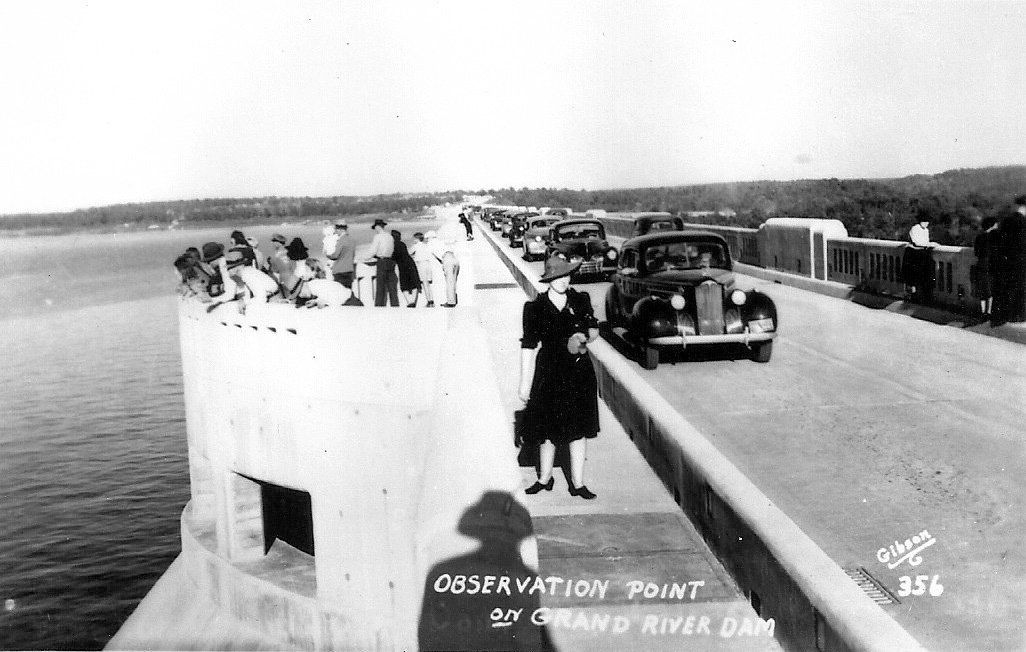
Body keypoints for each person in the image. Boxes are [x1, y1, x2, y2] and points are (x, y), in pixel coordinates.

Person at [518, 255, 600, 500]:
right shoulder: (534, 307)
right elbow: (529, 345)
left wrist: (583, 340)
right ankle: (545, 478)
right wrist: (524, 382)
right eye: (557, 277)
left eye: (566, 275)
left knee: (578, 429)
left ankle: (578, 483)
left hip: (578, 372)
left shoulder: (580, 300)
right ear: (548, 279)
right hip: (549, 372)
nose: (563, 281)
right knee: (547, 430)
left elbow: (593, 330)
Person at [998, 196, 1026, 323]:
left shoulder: (1007, 221)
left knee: (1010, 288)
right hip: (1022, 260)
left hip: (1008, 260)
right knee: (1021, 289)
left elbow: (1001, 243)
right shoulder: (1024, 222)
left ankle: (1010, 315)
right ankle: (1020, 315)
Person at [902, 217, 936, 303]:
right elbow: (916, 242)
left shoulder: (926, 230)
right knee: (913, 276)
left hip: (922, 253)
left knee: (926, 274)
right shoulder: (915, 228)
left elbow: (925, 242)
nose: (926, 223)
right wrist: (929, 244)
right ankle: (914, 294)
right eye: (925, 221)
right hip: (913, 253)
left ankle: (924, 295)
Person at [369, 219, 399, 306]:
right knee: (392, 288)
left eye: (375, 227)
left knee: (380, 287)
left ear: (378, 227)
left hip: (382, 262)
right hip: (391, 261)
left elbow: (373, 251)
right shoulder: (390, 237)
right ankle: (395, 306)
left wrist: (365, 258)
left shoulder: (377, 237)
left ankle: (379, 306)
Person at [973, 217, 997, 317]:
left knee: (982, 290)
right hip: (990, 265)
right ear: (992, 225)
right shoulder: (993, 237)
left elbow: (976, 253)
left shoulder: (978, 237)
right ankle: (989, 311)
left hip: (980, 264)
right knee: (990, 290)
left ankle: (983, 312)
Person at [429, 231, 460, 307]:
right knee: (454, 282)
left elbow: (435, 259)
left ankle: (450, 302)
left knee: (449, 282)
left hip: (447, 259)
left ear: (429, 238)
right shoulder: (441, 241)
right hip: (454, 259)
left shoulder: (431, 244)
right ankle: (454, 300)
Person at [392, 230, 421, 307]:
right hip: (410, 263)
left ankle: (409, 301)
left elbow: (393, 257)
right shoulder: (402, 244)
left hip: (402, 266)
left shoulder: (392, 245)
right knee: (414, 283)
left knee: (404, 285)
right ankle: (413, 301)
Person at [327, 218, 356, 288]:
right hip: (349, 270)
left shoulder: (341, 240)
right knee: (348, 293)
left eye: (336, 229)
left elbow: (335, 256)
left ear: (340, 229)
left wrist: (328, 256)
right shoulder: (352, 240)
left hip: (339, 271)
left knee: (340, 294)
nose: (335, 231)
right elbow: (352, 255)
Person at [410, 232, 435, 307]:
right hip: (428, 264)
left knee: (425, 284)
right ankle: (431, 299)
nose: (413, 240)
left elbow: (409, 253)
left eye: (414, 239)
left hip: (421, 265)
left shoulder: (415, 246)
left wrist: (414, 256)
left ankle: (429, 301)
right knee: (428, 284)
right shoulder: (425, 245)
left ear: (417, 239)